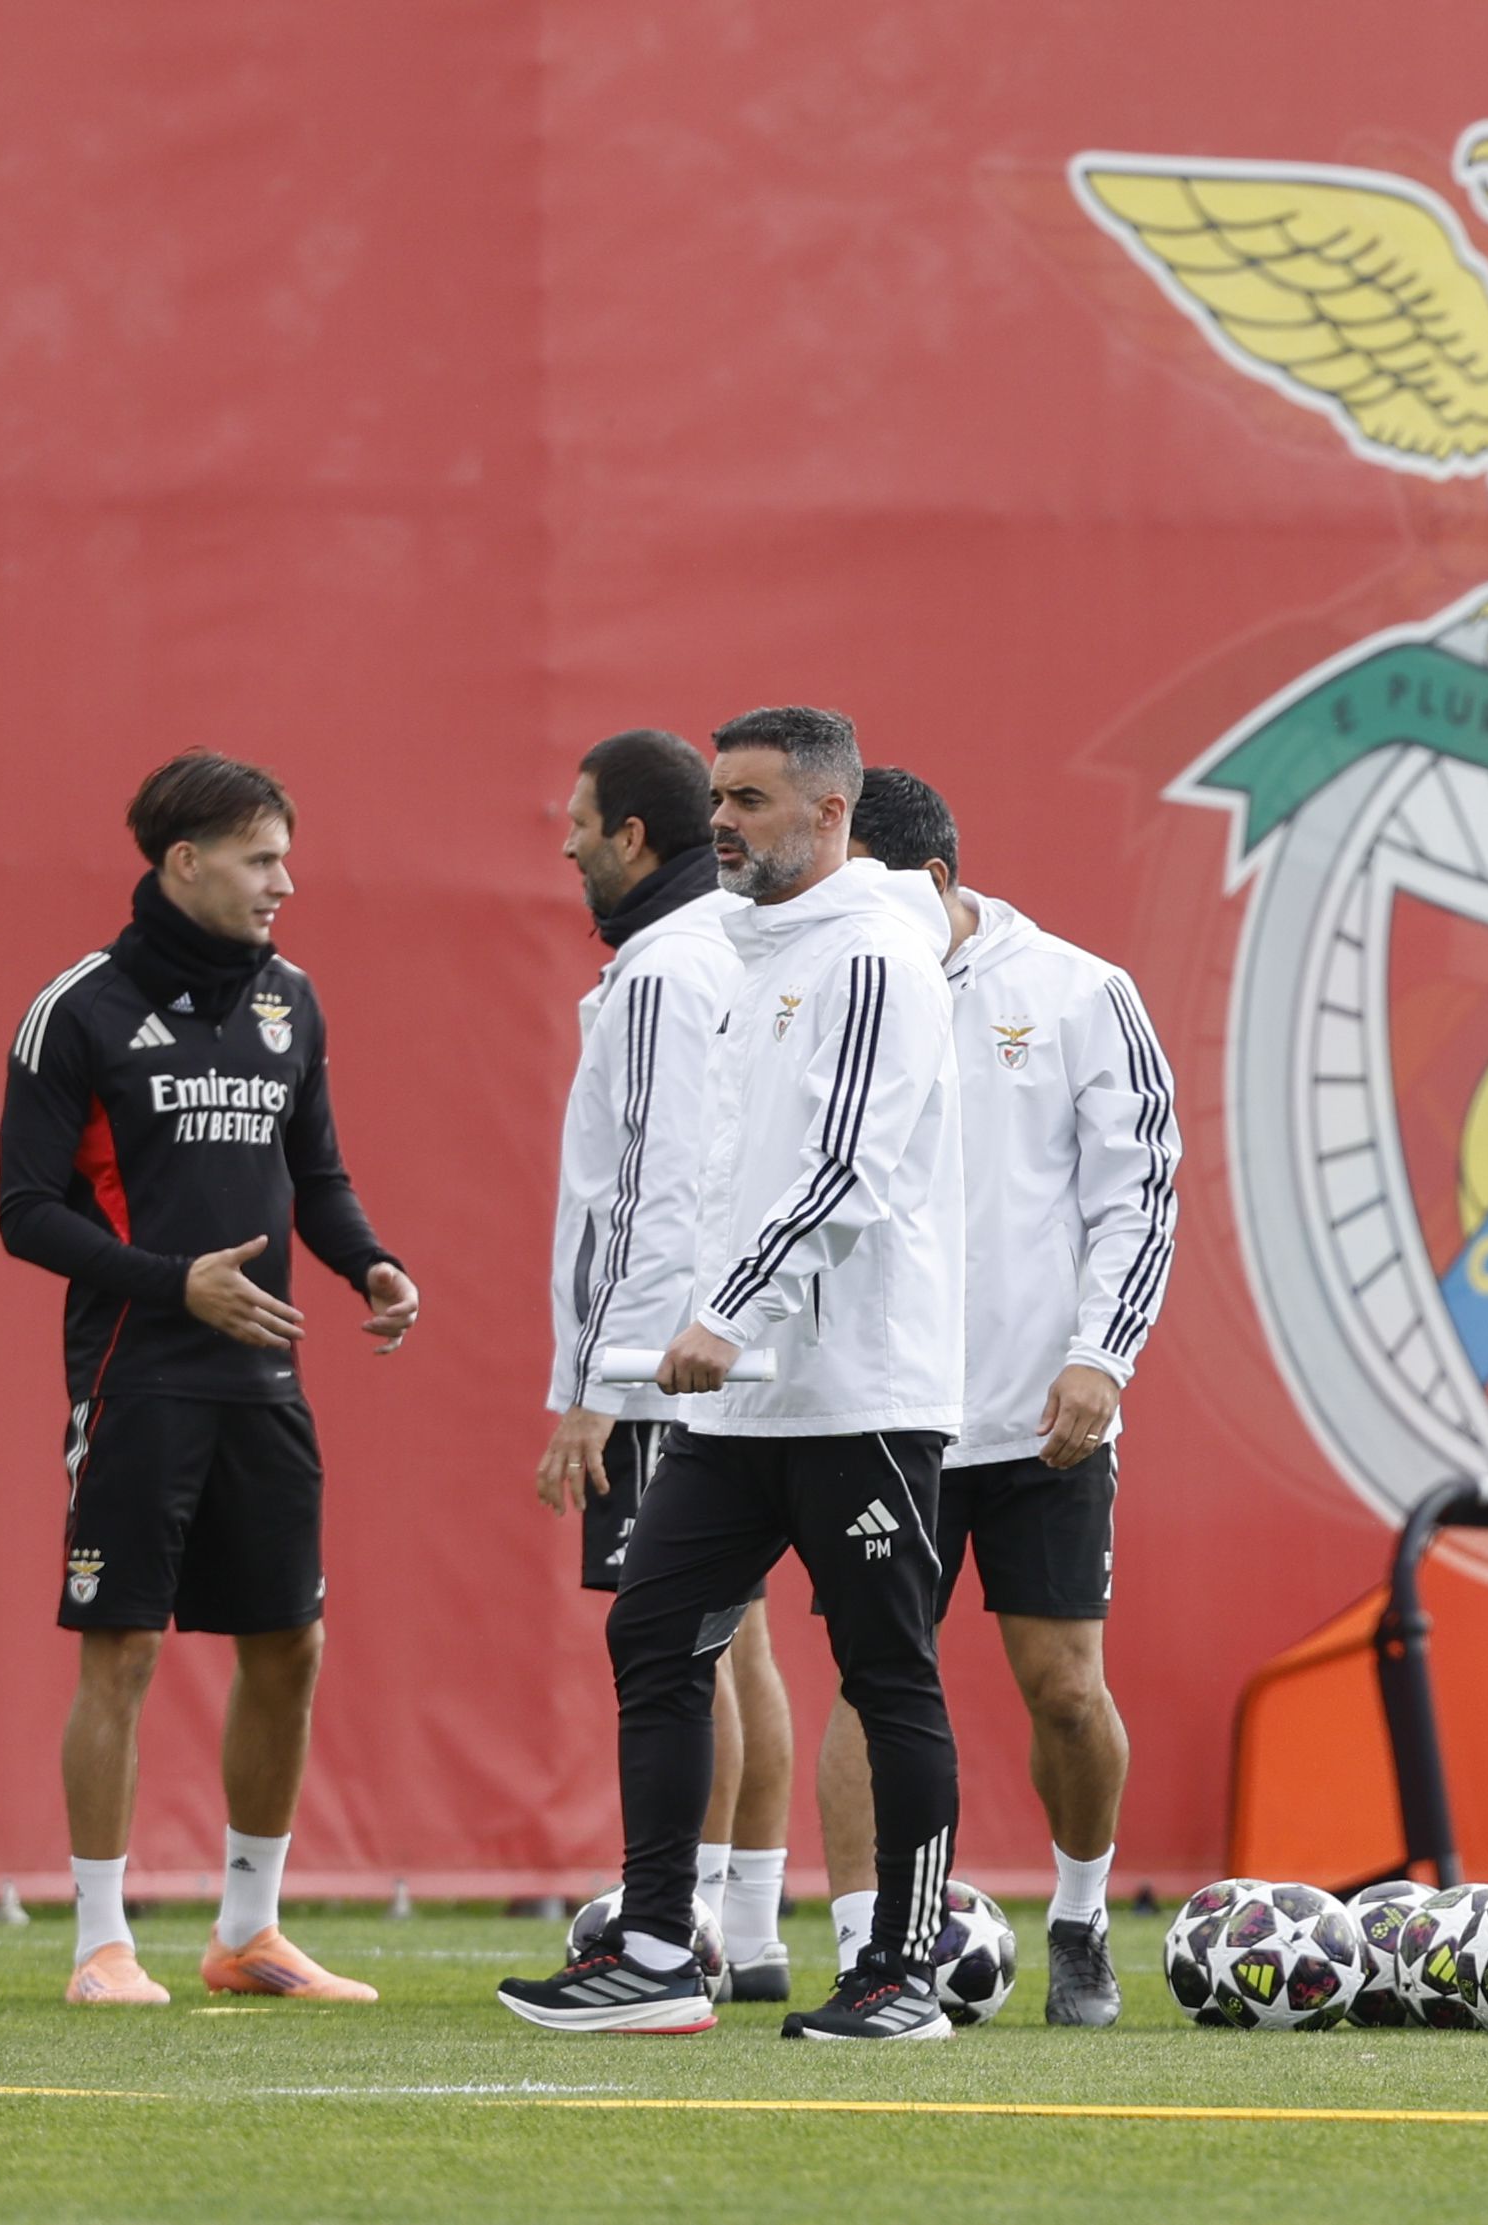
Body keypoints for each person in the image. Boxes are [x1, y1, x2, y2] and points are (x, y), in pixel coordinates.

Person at [499, 706, 967, 2041]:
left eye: (752, 801)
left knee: (887, 1672)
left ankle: (901, 1973)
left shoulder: (877, 951)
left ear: (830, 814)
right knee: (653, 1629)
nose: (724, 822)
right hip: (738, 1391)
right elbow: (706, 1169)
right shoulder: (738, 950)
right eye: (717, 796)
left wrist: (723, 1307)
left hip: (859, 1386)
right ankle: (655, 1947)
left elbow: (847, 1170)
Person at [0, 752, 419, 2007]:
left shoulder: (292, 1000)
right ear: (183, 863)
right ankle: (98, 1942)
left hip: (265, 1382)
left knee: (291, 1639)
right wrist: (172, 1281)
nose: (285, 882)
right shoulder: (75, 1009)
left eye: (284, 856)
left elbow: (319, 1178)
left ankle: (249, 1930)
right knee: (120, 1649)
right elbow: (23, 1212)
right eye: (260, 858)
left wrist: (372, 1263)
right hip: (139, 1376)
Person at [826, 770, 1178, 2023]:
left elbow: (1140, 1193)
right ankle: (864, 1947)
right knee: (872, 1679)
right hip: (881, 1402)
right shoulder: (829, 988)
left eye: (857, 888)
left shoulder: (1081, 991)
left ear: (929, 882)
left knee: (1065, 1689)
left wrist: (1102, 1355)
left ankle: (1079, 1918)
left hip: (1042, 1410)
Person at [536, 727, 796, 2001]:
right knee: (734, 1639)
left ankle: (676, 1925)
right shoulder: (730, 950)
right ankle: (743, 1928)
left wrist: (594, 1386)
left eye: (579, 821)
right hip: (719, 1348)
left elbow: (649, 1190)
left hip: (666, 1356)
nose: (567, 842)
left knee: (679, 1645)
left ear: (632, 835)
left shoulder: (663, 968)